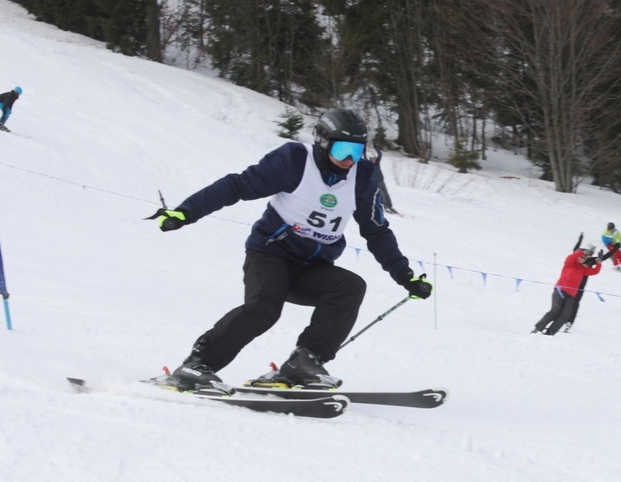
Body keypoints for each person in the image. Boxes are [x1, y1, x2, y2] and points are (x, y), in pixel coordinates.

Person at [152, 108, 432, 391]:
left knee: (350, 286)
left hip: (313, 267)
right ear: (323, 143)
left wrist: (404, 275)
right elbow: (236, 186)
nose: (350, 159)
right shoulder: (295, 162)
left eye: (357, 151)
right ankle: (196, 365)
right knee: (264, 309)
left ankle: (303, 363)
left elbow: (376, 231)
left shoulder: (362, 176)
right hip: (271, 255)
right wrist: (185, 212)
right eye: (343, 149)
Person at [531, 246, 602, 336]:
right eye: (581, 257)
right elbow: (573, 256)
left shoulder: (583, 269)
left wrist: (599, 263)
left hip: (571, 295)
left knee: (566, 315)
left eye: (584, 258)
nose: (582, 259)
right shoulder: (569, 263)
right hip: (560, 291)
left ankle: (550, 332)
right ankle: (537, 328)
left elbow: (595, 271)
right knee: (554, 311)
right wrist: (584, 253)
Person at [564, 233, 619, 332]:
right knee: (565, 302)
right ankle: (560, 320)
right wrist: (580, 240)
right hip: (571, 285)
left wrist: (614, 250)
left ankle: (569, 323)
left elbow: (604, 257)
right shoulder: (578, 257)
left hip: (580, 287)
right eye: (588, 252)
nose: (589, 254)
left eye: (591, 253)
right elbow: (575, 250)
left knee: (575, 304)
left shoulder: (591, 261)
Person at [367, 142, 398, 215]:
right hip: (375, 183)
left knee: (386, 194)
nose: (374, 160)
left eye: (374, 158)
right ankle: (386, 207)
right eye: (372, 159)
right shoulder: (369, 165)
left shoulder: (377, 164)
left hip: (381, 181)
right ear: (370, 159)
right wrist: (363, 149)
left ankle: (390, 206)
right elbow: (364, 157)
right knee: (382, 195)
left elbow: (380, 154)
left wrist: (376, 147)